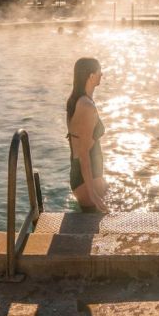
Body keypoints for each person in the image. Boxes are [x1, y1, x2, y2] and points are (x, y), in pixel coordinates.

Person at [66, 57, 108, 212]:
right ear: (91, 76)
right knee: (93, 229)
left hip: (88, 176)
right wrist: (93, 195)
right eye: (99, 71)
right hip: (86, 179)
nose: (101, 74)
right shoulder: (85, 105)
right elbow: (83, 154)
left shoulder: (78, 100)